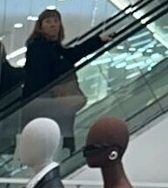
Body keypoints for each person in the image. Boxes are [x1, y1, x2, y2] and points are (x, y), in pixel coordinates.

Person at [22, 8, 107, 151]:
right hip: (47, 102)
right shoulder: (38, 48)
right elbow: (42, 75)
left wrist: (98, 40)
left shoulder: (56, 48)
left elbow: (74, 53)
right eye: (48, 21)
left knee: (61, 137)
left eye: (56, 21)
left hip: (54, 103)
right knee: (57, 140)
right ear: (40, 27)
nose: (53, 24)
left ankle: (67, 153)